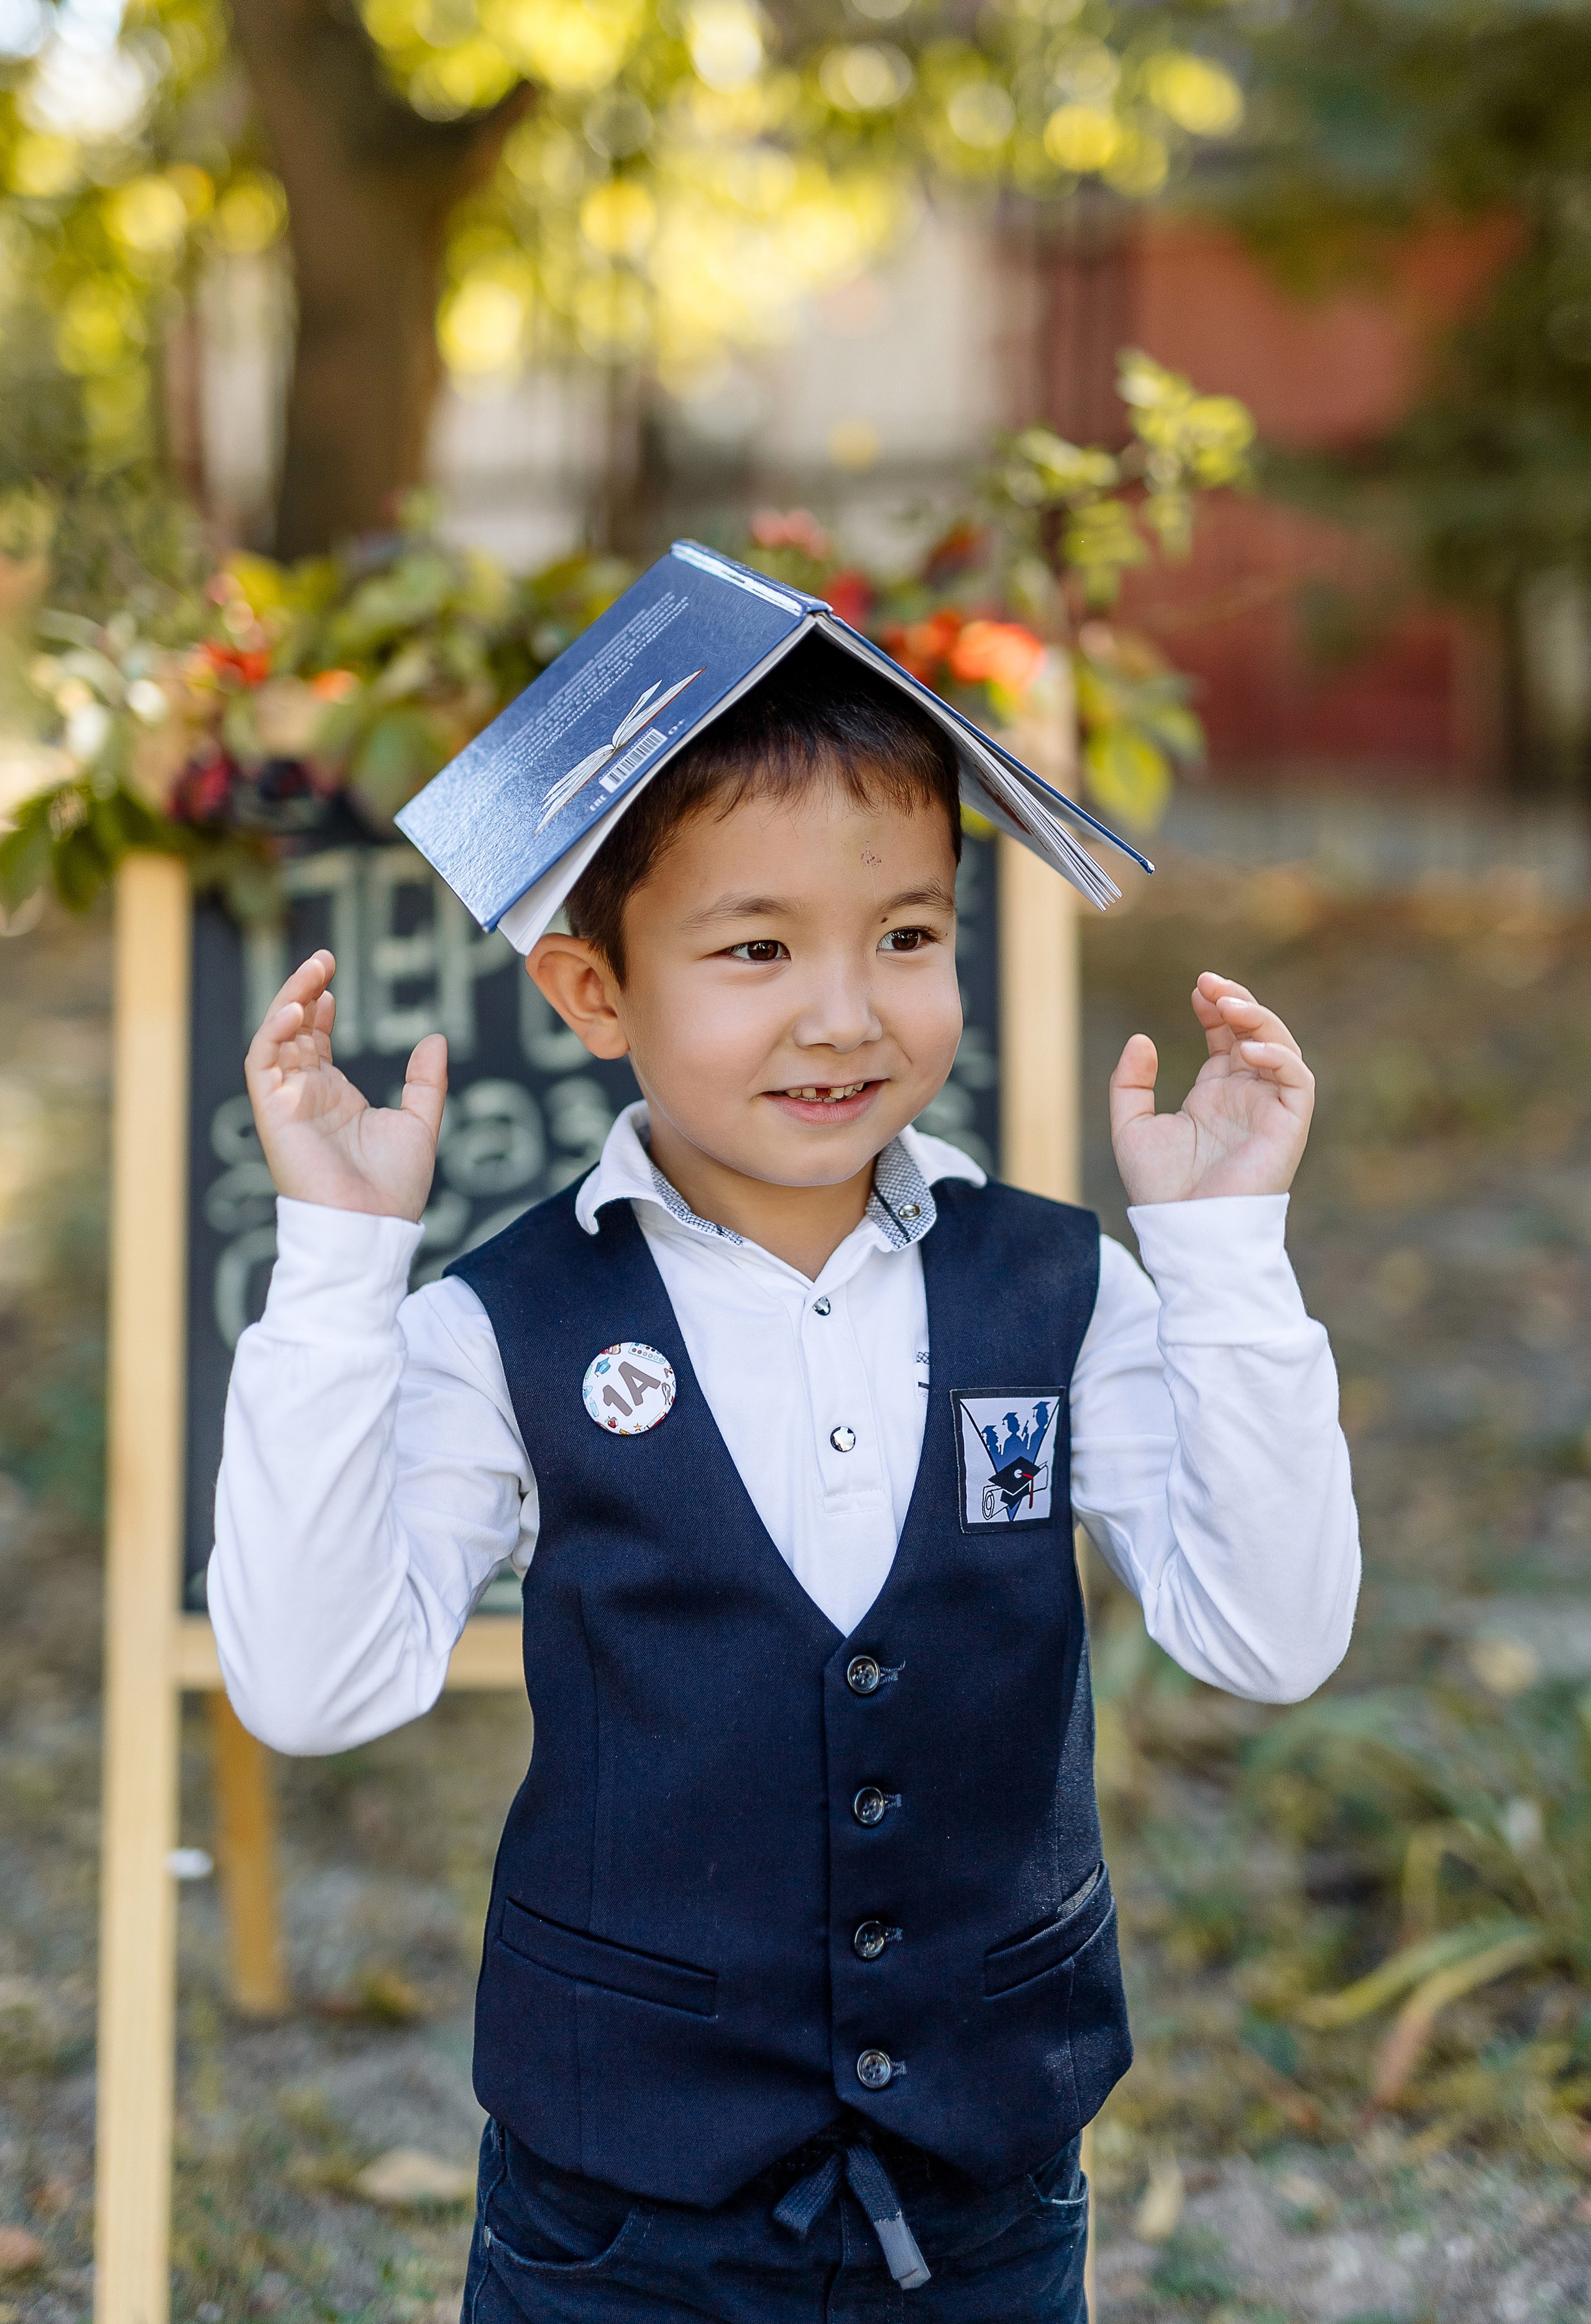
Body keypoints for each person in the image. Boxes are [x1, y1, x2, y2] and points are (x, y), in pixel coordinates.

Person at [211, 639, 1359, 2323]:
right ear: (593, 992)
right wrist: (337, 1259)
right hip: (619, 2212)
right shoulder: (502, 1323)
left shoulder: (1060, 1286)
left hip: (985, 2186)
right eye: (757, 948)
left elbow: (1276, 1637)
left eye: (905, 935)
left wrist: (1227, 1252)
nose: (845, 1011)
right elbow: (310, 1685)